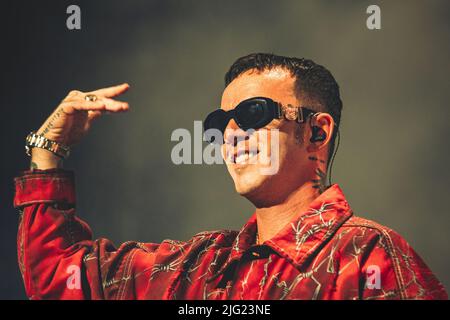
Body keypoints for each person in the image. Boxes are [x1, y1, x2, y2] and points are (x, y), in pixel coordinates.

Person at [14, 53, 447, 299]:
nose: (233, 134)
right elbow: (59, 279)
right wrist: (47, 153)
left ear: (317, 131)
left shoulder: (368, 255)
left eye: (253, 113)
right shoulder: (197, 266)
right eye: (221, 124)